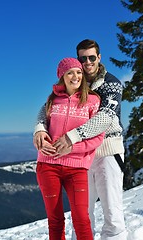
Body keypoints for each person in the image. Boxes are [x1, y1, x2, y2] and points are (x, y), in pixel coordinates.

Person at [34, 39, 127, 240]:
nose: (87, 62)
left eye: (91, 57)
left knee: (112, 213)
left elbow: (105, 118)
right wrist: (39, 128)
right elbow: (48, 106)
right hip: (80, 158)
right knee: (83, 216)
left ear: (99, 58)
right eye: (83, 58)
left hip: (107, 151)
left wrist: (71, 138)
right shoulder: (75, 79)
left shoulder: (111, 83)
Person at [35, 57, 105, 240]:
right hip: (48, 165)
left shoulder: (92, 100)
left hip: (77, 168)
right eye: (70, 72)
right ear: (62, 76)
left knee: (82, 219)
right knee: (55, 221)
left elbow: (98, 137)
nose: (76, 76)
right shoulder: (52, 100)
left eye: (79, 71)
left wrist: (72, 149)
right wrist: (39, 133)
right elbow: (42, 123)